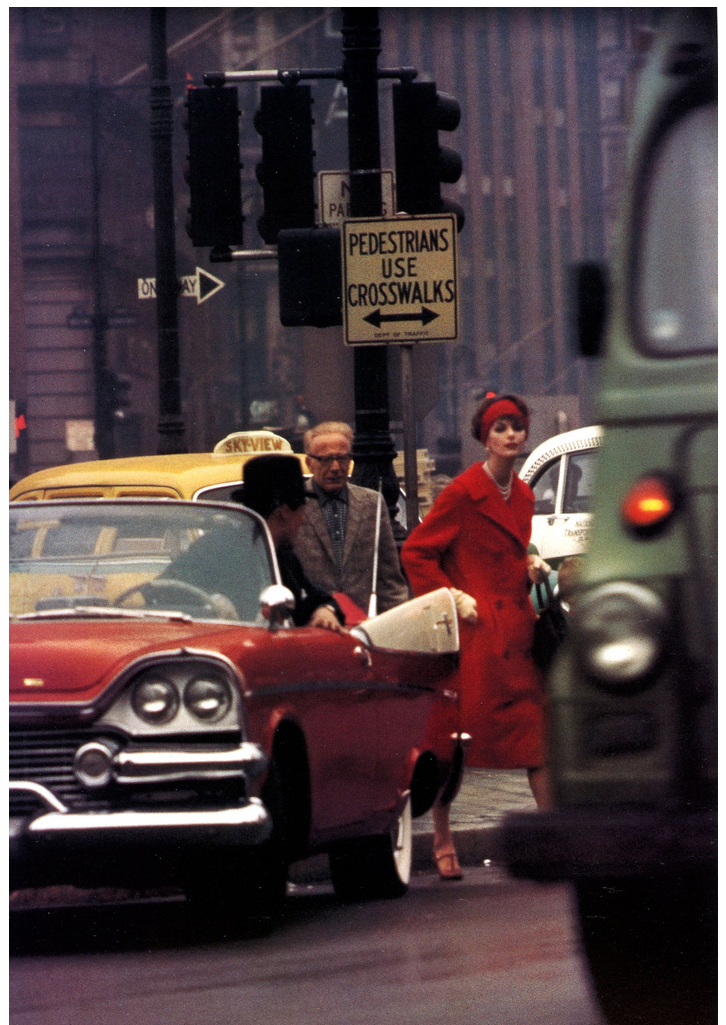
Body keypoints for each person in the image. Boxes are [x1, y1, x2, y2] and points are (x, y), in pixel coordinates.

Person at [401, 393, 551, 881]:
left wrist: (529, 563)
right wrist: (451, 597)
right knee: (457, 745)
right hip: (478, 639)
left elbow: (510, 548)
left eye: (516, 428)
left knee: (537, 741)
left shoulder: (524, 495)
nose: (511, 436)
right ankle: (442, 835)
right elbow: (417, 552)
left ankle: (553, 838)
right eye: (500, 428)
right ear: (484, 437)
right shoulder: (463, 492)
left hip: (519, 635)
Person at [294, 421, 409, 619]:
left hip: (364, 624)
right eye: (326, 460)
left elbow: (390, 579)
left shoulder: (372, 503)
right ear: (309, 463)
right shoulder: (295, 505)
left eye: (343, 458)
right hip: (314, 626)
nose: (336, 468)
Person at [232, 454, 345, 632]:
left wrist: (325, 609)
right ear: (285, 512)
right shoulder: (221, 552)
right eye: (301, 511)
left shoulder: (285, 558)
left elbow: (315, 598)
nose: (303, 520)